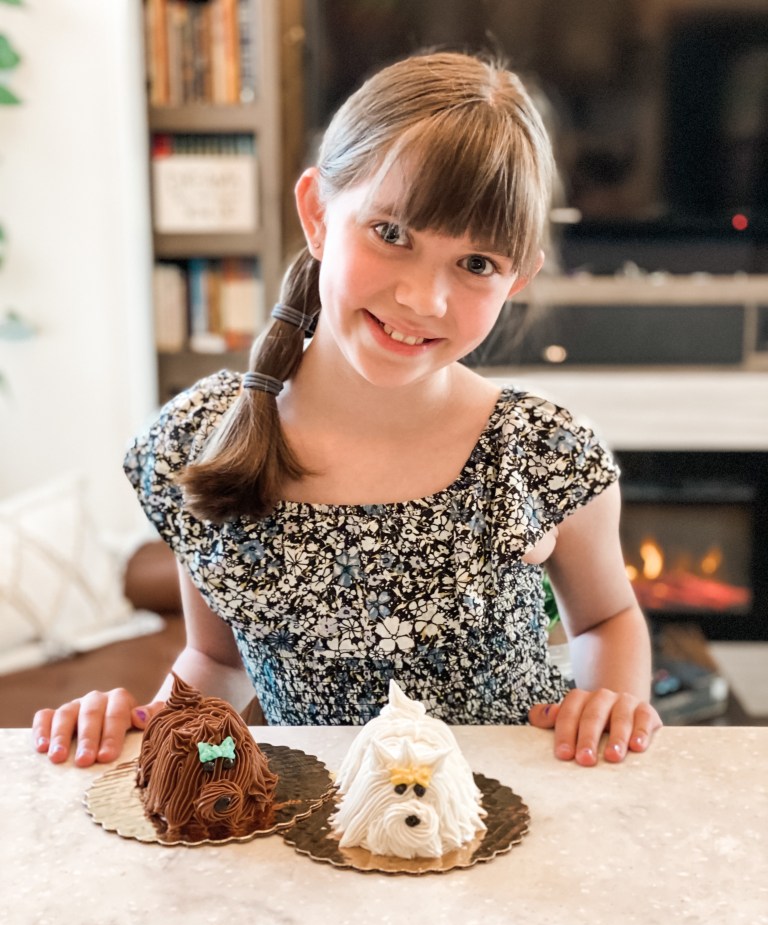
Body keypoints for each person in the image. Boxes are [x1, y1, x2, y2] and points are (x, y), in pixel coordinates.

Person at [33, 50, 661, 770]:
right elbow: (216, 661)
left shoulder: (543, 448)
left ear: (516, 280)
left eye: (477, 264)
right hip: (318, 818)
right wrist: (137, 728)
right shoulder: (202, 438)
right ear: (318, 215)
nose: (423, 299)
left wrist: (608, 702)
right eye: (391, 234)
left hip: (513, 812)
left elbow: (608, 618)